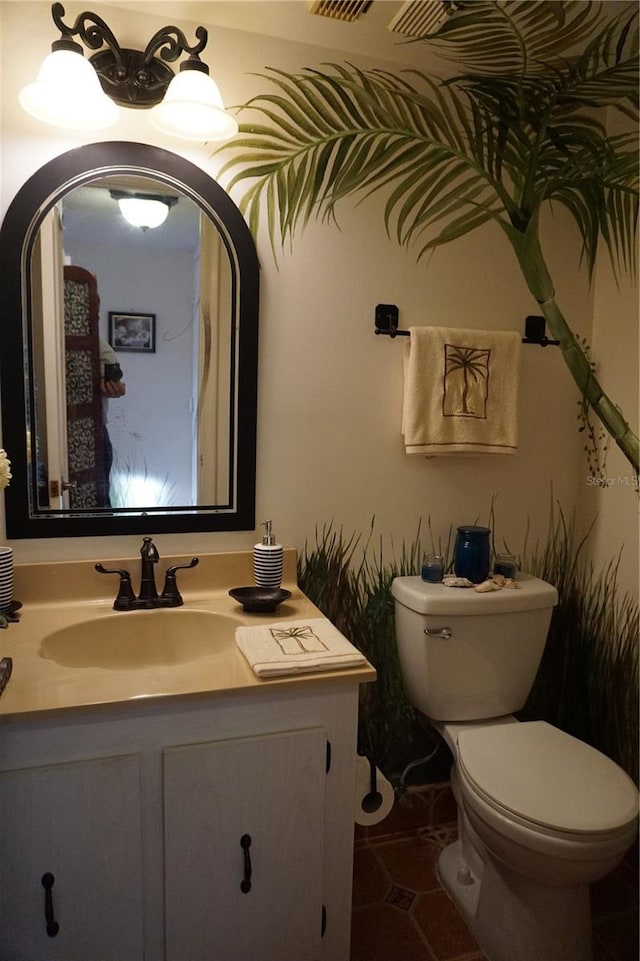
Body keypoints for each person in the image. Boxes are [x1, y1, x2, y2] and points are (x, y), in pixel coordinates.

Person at [99, 338, 125, 506]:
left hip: (95, 427)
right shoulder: (98, 345)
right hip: (95, 429)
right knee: (100, 493)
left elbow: (114, 383)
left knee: (100, 491)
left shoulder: (96, 343)